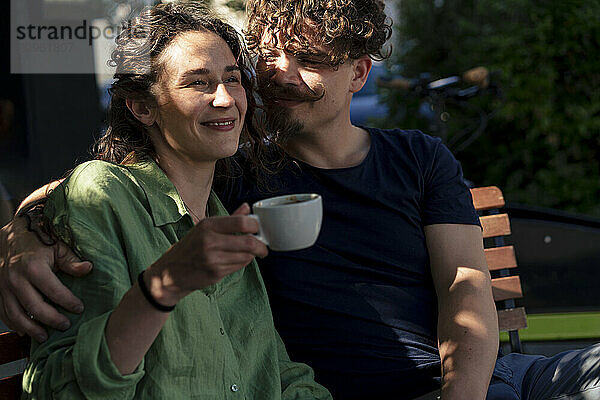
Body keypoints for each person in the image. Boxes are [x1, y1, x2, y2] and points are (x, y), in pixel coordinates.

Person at [2, 0, 599, 399]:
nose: (279, 74)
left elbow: (464, 285)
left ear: (359, 75)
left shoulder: (418, 157)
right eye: (271, 55)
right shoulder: (232, 172)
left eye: (309, 61)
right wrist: (22, 230)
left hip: (484, 379)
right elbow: (102, 182)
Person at [3, 2, 332, 399]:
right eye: (198, 83)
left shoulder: (223, 211)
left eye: (233, 79)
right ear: (143, 107)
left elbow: (274, 370)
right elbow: (62, 389)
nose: (226, 99)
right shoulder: (103, 195)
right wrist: (162, 287)